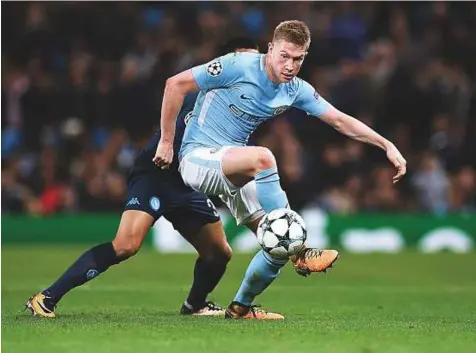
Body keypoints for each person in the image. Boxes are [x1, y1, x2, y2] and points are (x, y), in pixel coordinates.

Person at [153, 20, 407, 319]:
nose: (290, 65)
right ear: (271, 48)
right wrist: (167, 142)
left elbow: (339, 120)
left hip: (234, 163)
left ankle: (241, 307)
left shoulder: (295, 90)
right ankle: (301, 255)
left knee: (279, 244)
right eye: (284, 55)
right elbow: (175, 84)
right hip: (197, 158)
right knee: (264, 158)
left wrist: (386, 144)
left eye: (298, 59)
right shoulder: (238, 64)